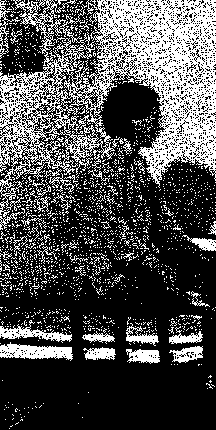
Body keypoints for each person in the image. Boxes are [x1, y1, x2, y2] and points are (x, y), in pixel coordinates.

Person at [57, 82, 186, 301]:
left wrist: (191, 250)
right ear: (134, 121)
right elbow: (117, 236)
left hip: (132, 266)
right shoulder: (103, 166)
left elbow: (162, 220)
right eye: (154, 117)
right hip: (102, 278)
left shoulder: (137, 164)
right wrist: (158, 266)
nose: (159, 126)